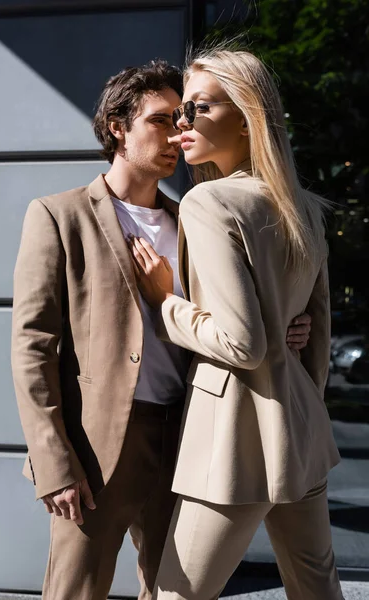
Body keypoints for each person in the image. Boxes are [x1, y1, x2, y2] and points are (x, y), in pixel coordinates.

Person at [11, 59, 312, 600]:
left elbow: (231, 322)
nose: (177, 132)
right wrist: (54, 462)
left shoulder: (192, 218)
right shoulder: (60, 216)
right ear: (116, 128)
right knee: (75, 590)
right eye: (161, 119)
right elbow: (33, 348)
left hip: (188, 436)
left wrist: (289, 326)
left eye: (183, 118)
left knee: (170, 589)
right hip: (98, 449)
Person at [129, 49, 343, 600]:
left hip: (233, 440)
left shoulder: (209, 203)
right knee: (316, 586)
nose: (182, 124)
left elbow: (241, 343)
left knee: (177, 594)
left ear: (247, 116)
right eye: (179, 112)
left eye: (197, 108)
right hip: (298, 429)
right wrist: (301, 402)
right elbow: (316, 333)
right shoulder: (304, 206)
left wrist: (164, 301)